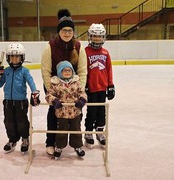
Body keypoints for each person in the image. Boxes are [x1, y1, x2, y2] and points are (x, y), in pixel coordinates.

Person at [41, 9, 87, 156]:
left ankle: (76, 142)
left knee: (76, 114)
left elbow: (82, 71)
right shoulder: (50, 46)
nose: (67, 33)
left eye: (70, 30)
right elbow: (45, 70)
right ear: (59, 31)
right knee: (54, 113)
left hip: (73, 87)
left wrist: (80, 90)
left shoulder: (79, 47)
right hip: (55, 87)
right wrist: (51, 91)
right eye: (64, 30)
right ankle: (51, 142)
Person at [0, 43, 40, 154]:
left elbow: (31, 82)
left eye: (17, 57)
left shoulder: (24, 71)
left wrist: (35, 92)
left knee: (21, 121)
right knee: (9, 121)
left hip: (21, 102)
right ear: (8, 58)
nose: (15, 59)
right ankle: (12, 140)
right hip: (8, 101)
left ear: (22, 58)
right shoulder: (6, 71)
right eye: (12, 57)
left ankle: (25, 139)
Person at [45, 61, 87, 159]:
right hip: (62, 113)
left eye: (69, 70)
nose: (67, 72)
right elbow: (49, 95)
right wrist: (54, 100)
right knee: (61, 131)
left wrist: (82, 99)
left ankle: (77, 146)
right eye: (65, 71)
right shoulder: (56, 84)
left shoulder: (76, 83)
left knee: (76, 130)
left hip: (74, 112)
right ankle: (59, 147)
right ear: (60, 72)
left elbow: (82, 92)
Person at [84, 23, 115, 149]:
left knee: (101, 112)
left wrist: (111, 85)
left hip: (102, 88)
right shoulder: (85, 52)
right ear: (90, 37)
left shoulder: (105, 53)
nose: (97, 39)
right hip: (91, 88)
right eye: (95, 36)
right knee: (91, 111)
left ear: (104, 37)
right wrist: (84, 85)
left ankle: (100, 131)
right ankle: (88, 132)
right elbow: (83, 69)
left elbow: (109, 69)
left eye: (100, 36)